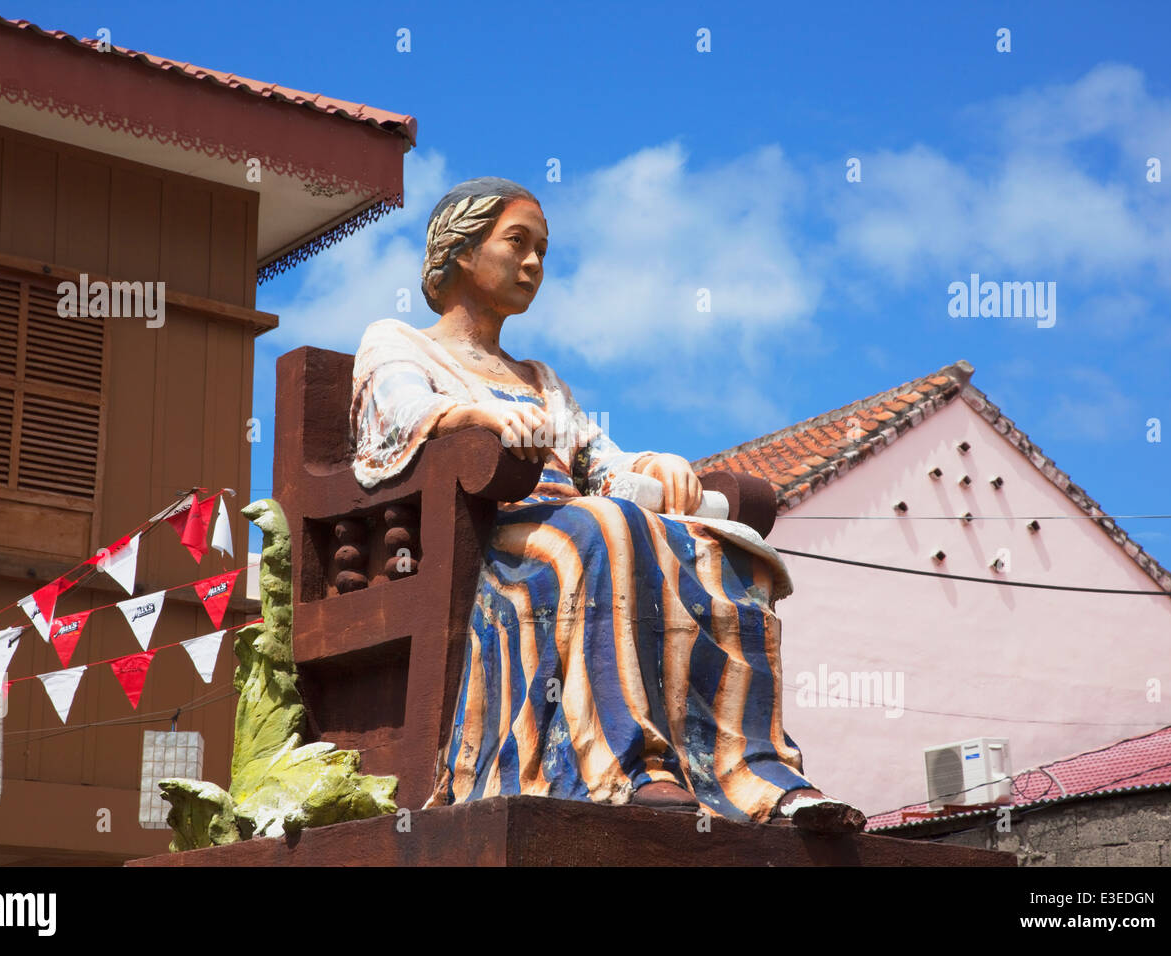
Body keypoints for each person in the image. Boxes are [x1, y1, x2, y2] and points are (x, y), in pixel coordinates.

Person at [350, 177, 865, 832]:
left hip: (576, 526)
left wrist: (653, 466)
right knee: (608, 525)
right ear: (458, 249)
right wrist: (477, 417)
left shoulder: (540, 379)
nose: (534, 263)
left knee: (726, 553)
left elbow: (601, 460)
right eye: (518, 243)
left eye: (543, 249)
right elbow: (400, 414)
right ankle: (626, 763)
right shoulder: (399, 342)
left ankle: (756, 775)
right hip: (485, 540)